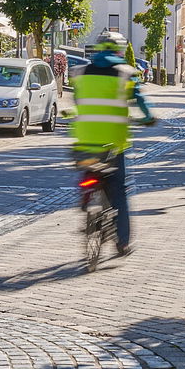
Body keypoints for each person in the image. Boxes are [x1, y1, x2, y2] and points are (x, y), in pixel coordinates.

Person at [70, 31, 155, 254]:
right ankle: (123, 242)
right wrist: (148, 118)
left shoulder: (80, 72)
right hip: (113, 144)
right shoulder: (124, 73)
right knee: (119, 191)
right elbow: (140, 100)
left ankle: (86, 197)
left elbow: (78, 101)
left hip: (83, 142)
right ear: (120, 50)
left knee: (88, 173)